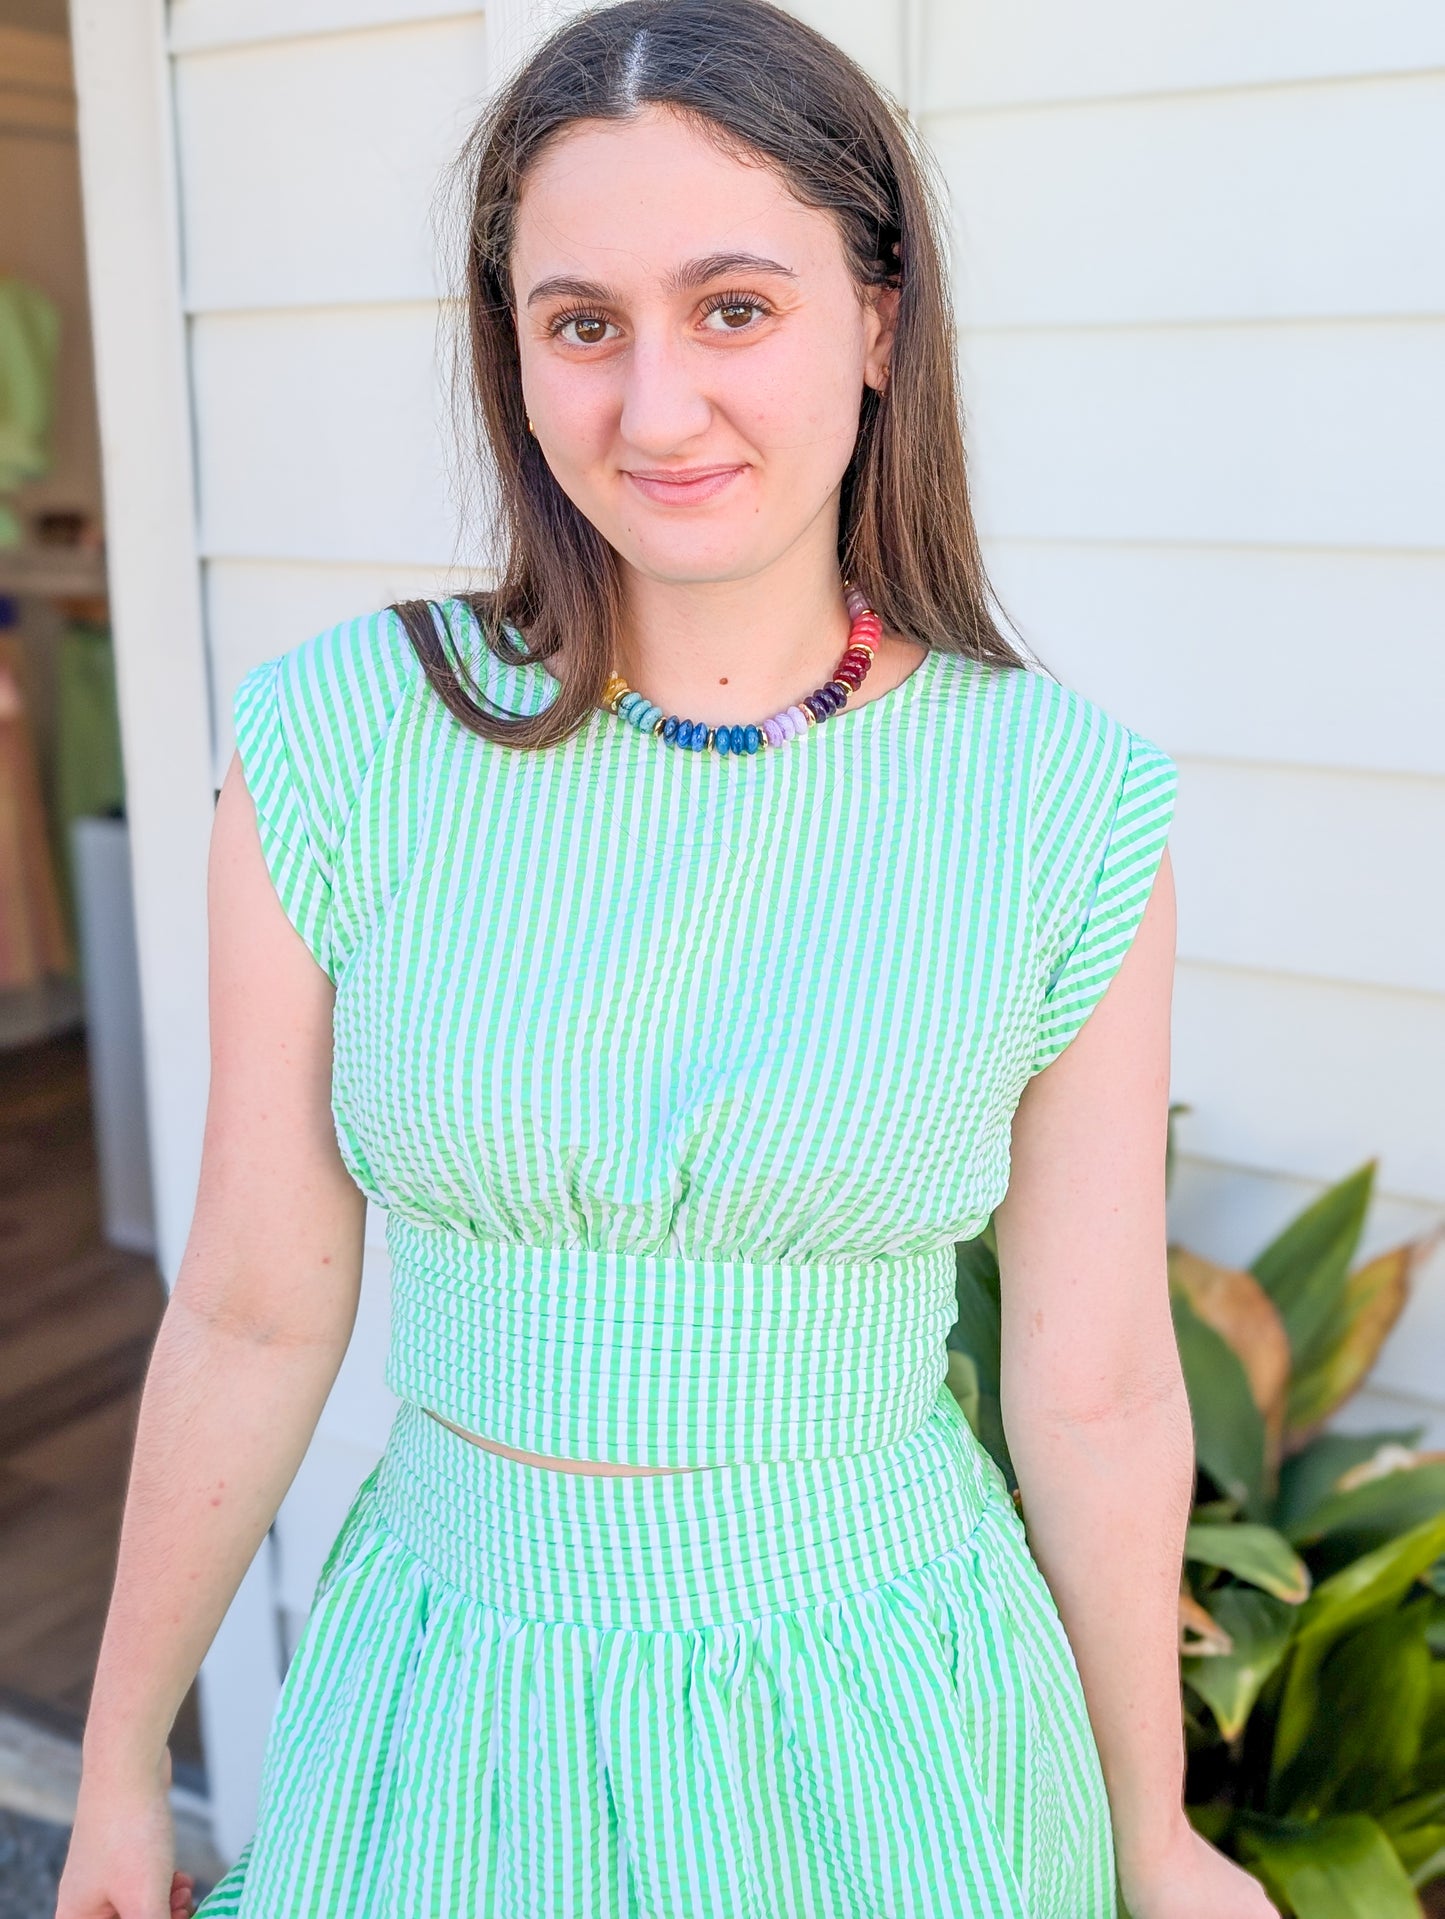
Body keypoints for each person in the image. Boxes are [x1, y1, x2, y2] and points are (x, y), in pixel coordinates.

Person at [58, 2, 1280, 1915]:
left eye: (733, 307)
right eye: (581, 323)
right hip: (454, 1707)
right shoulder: (341, 742)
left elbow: (1102, 1380)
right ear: (517, 357)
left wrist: (1150, 1832)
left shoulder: (1061, 799)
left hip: (886, 1724)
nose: (653, 408)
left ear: (876, 324)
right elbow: (251, 1309)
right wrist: (122, 1763)